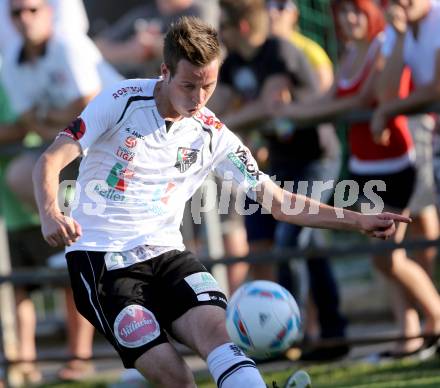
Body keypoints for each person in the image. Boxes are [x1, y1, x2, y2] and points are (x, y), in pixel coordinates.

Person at [33, 16, 410, 388]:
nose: (198, 99)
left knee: (221, 337)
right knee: (178, 379)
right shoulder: (120, 101)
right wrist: (50, 212)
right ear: (164, 71)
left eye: (208, 86)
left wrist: (357, 220)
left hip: (166, 255)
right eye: (188, 85)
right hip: (103, 263)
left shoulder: (212, 133)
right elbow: (49, 160)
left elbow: (277, 201)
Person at [267, 0, 440, 357]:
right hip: (363, 166)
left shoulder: (385, 41)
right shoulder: (351, 51)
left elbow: (369, 98)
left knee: (389, 257)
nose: (348, 18)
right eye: (342, 11)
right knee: (387, 258)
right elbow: (331, 98)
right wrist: (290, 113)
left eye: (356, 10)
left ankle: (435, 321)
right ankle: (409, 334)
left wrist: (297, 115)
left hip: (395, 161)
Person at [214, 0, 347, 359]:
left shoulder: (279, 50)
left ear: (241, 27)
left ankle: (301, 332)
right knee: (297, 247)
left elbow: (271, 104)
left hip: (316, 160)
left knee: (292, 241)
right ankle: (326, 333)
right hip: (278, 163)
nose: (218, 31)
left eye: (223, 24)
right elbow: (218, 108)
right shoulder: (234, 63)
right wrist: (218, 123)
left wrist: (223, 126)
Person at [0, 0, 121, 380]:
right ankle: (65, 228)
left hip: (119, 147)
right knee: (23, 175)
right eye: (17, 12)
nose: (25, 18)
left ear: (49, 13)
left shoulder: (70, 46)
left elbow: (88, 110)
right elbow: (35, 119)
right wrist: (62, 115)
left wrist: (52, 117)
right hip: (75, 152)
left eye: (32, 10)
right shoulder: (12, 62)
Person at [94, 0, 220, 77]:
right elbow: (96, 46)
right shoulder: (145, 13)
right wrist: (129, 49)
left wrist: (152, 45)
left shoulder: (201, 9)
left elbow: (200, 45)